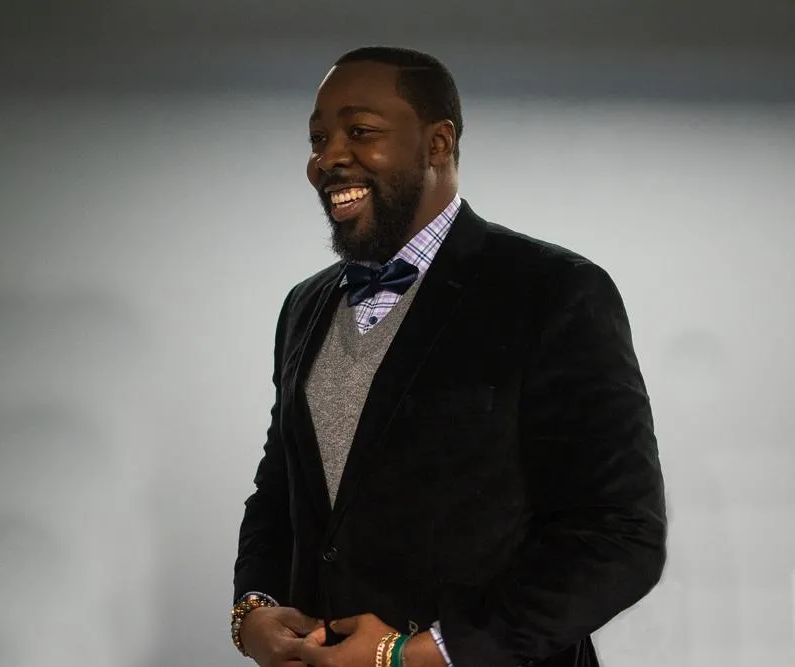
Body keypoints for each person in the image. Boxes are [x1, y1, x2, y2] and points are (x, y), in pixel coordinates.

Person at [230, 46, 667, 667]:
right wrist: (252, 609)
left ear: (438, 143)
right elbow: (280, 489)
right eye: (318, 139)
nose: (328, 158)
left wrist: (419, 653)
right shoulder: (305, 305)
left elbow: (620, 534)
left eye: (360, 131)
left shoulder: (554, 292)